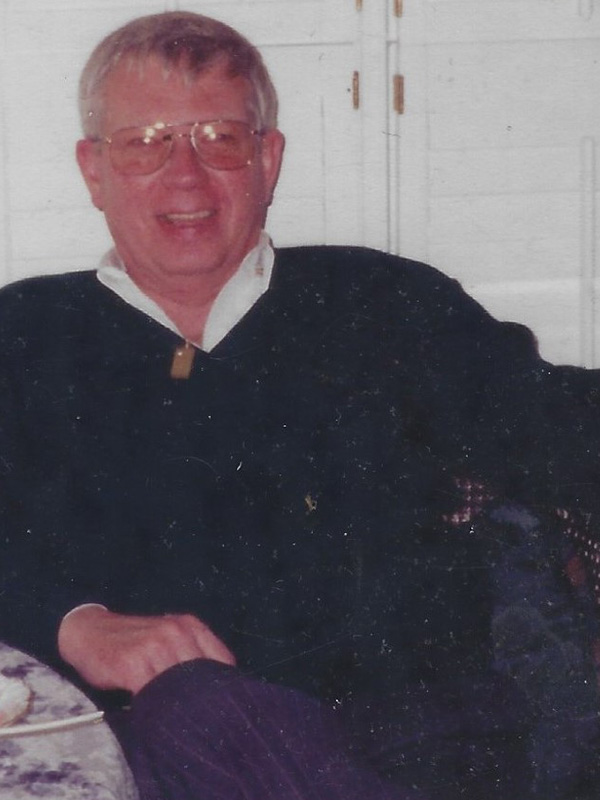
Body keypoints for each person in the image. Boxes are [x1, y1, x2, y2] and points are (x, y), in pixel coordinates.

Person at [0, 10, 598, 799]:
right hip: (168, 748)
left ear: (268, 159)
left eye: (220, 138)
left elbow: (558, 426)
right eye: (145, 142)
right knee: (194, 709)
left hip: (419, 735)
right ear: (93, 169)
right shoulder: (26, 338)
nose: (186, 176)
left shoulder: (385, 302)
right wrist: (76, 623)